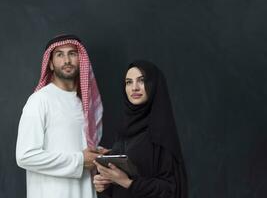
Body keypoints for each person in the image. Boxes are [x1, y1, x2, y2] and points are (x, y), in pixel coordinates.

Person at [16, 34, 109, 198]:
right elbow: (25, 156)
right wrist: (79, 161)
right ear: (50, 64)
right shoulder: (39, 100)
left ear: (81, 60)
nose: (67, 60)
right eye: (59, 54)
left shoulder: (86, 104)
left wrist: (98, 155)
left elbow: (75, 146)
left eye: (72, 54)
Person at [93, 60, 188, 198]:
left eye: (141, 81)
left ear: (153, 85)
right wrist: (103, 185)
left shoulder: (160, 132)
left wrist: (127, 182)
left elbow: (171, 189)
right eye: (129, 82)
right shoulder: (124, 130)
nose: (134, 88)